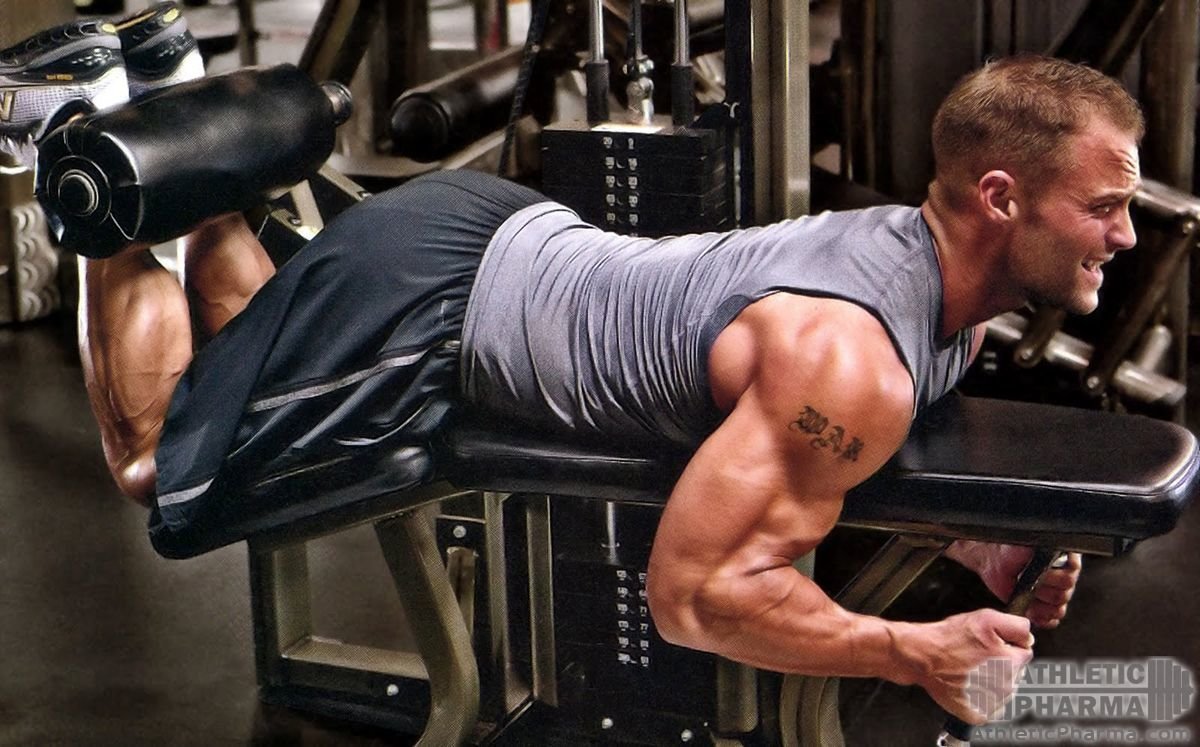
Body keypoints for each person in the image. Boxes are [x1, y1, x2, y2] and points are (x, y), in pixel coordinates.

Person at [5, 8, 1141, 724]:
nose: (1126, 235)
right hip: (426, 313)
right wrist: (911, 653)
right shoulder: (850, 360)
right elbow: (692, 598)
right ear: (1001, 199)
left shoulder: (938, 289)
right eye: (1103, 206)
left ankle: (175, 105)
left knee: (252, 343)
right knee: (153, 464)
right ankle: (89, 136)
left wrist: (981, 551)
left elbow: (847, 459)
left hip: (487, 233)